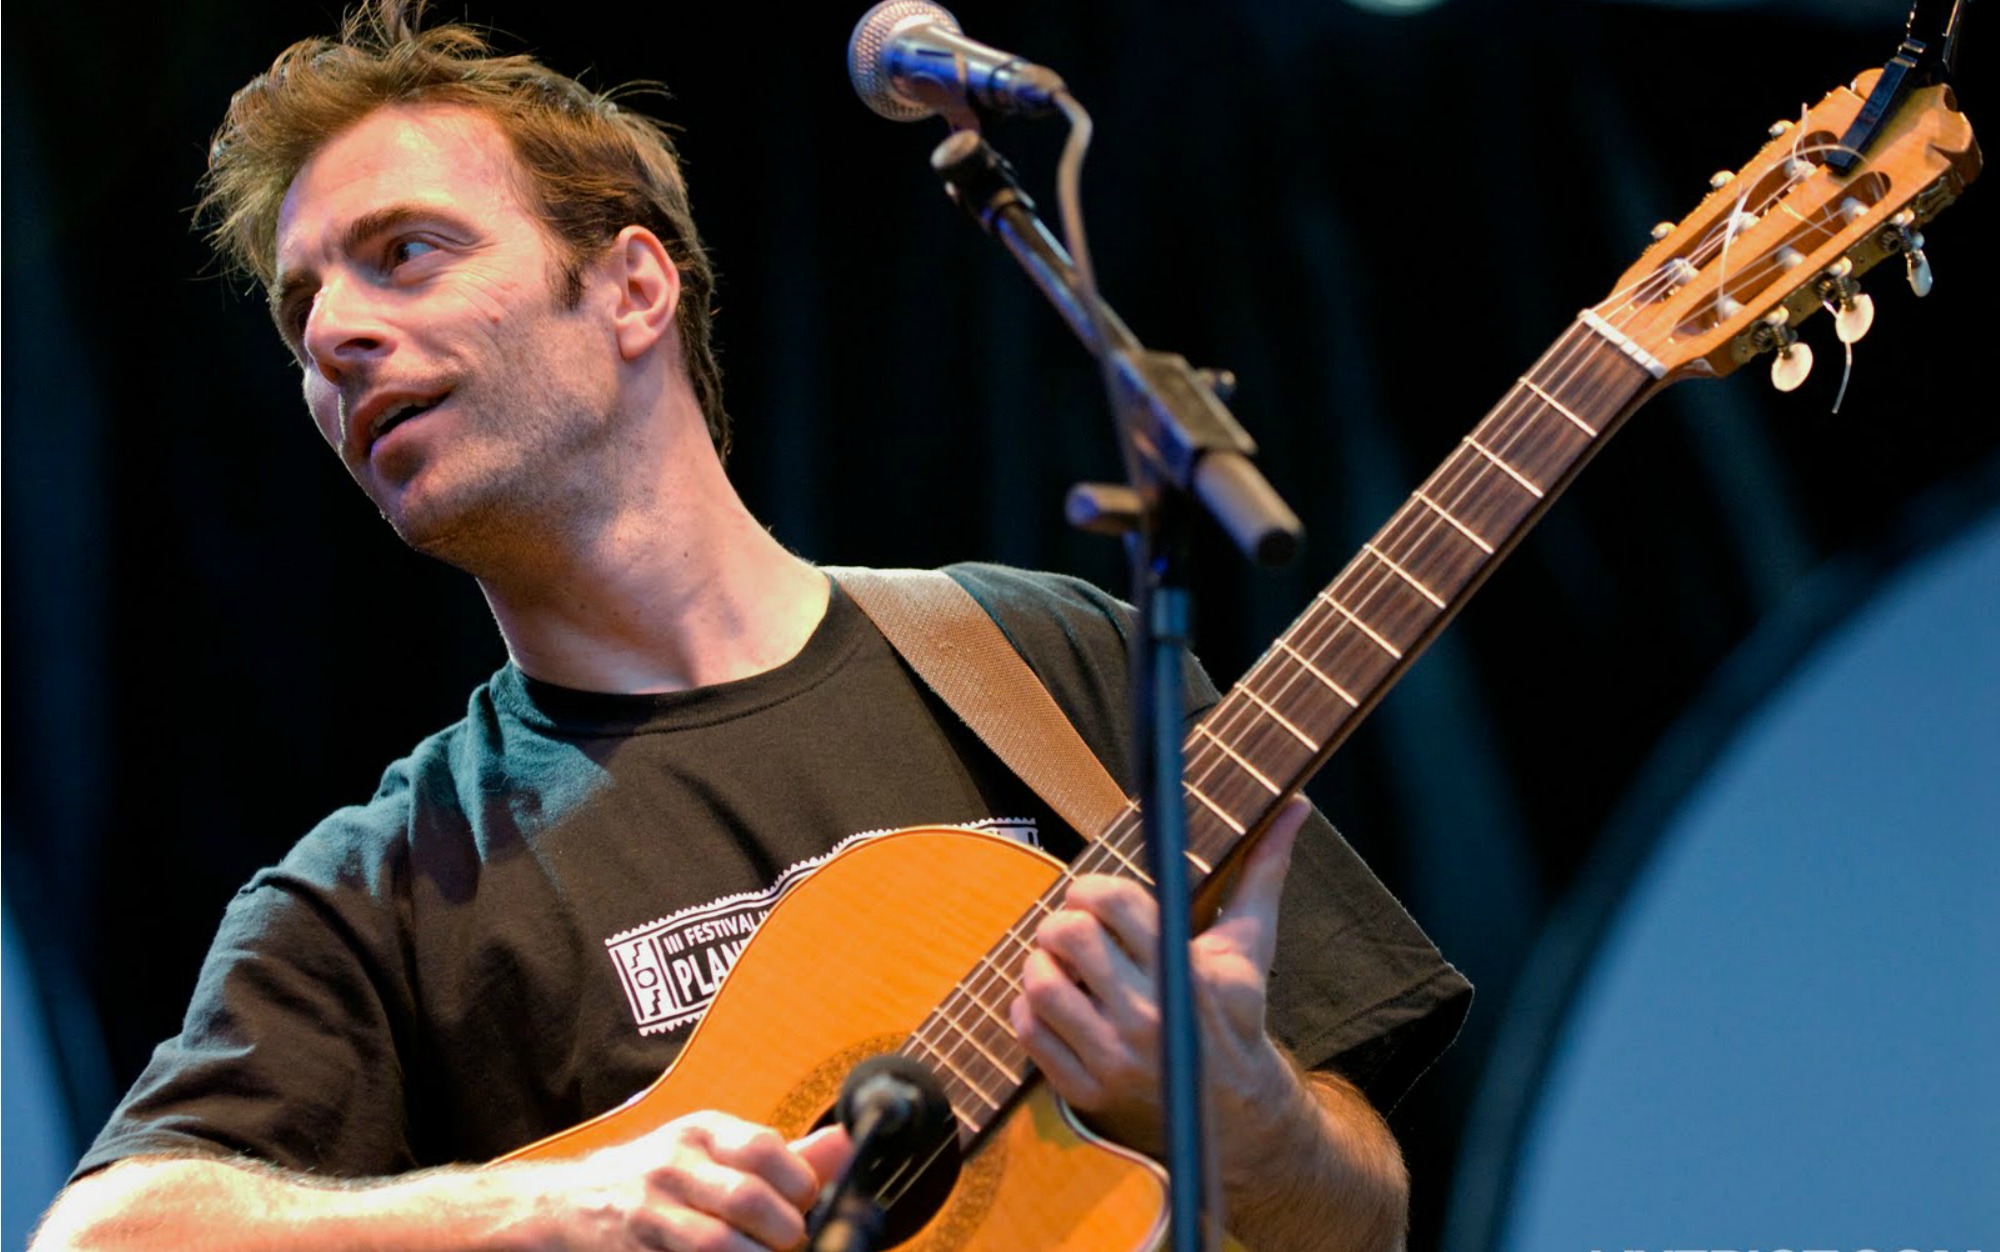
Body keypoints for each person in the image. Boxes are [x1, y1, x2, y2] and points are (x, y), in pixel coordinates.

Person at [32, 2, 1470, 1248]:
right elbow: (99, 1234)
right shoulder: (385, 890)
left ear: (633, 288)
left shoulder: (1048, 660)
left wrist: (1244, 1111)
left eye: (404, 252)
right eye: (302, 309)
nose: (333, 334)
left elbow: (1364, 1220)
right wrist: (541, 1211)